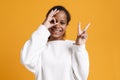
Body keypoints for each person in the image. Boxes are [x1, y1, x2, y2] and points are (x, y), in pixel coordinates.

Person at [21, 5, 90, 80]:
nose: (57, 25)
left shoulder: (73, 46)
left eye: (62, 22)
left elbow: (82, 76)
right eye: (53, 21)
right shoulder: (40, 47)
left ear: (67, 25)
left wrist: (79, 48)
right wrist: (43, 27)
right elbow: (26, 59)